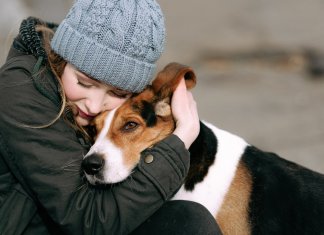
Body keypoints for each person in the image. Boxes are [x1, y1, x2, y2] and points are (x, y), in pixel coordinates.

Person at [0, 0, 222, 234]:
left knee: (186, 220)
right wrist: (183, 135)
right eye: (84, 83)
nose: (95, 105)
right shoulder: (20, 91)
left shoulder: (82, 106)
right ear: (63, 58)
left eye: (117, 93)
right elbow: (91, 220)